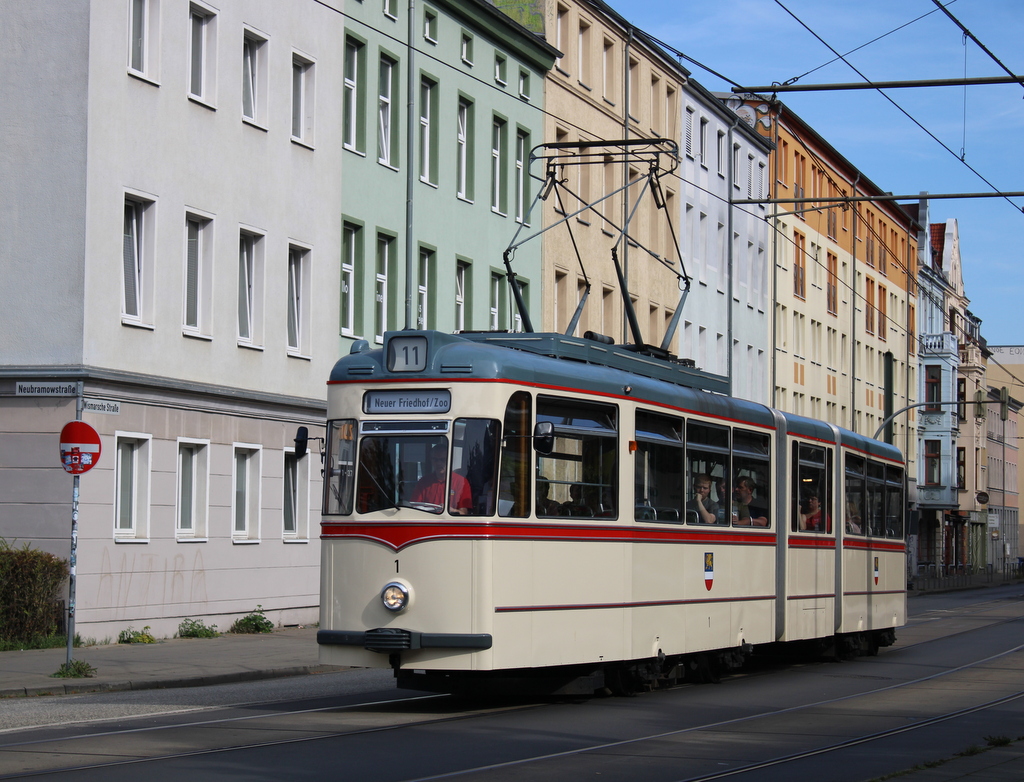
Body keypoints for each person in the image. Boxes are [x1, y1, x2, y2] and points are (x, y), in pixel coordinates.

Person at [411, 444, 472, 514]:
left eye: (442, 460)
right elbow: (414, 508)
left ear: (450, 460)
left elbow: (464, 513)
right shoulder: (423, 482)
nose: (439, 463)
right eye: (435, 459)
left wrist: (450, 511)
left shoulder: (461, 482)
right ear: (431, 460)